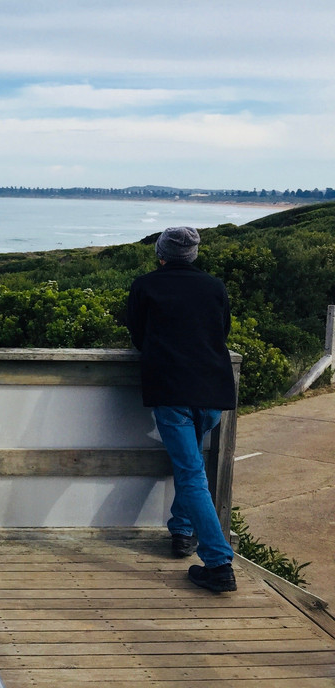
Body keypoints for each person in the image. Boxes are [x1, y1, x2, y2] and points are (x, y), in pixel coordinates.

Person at [126, 226, 238, 592]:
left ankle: (219, 563)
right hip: (213, 391)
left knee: (191, 474)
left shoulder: (145, 285)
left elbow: (138, 337)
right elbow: (221, 332)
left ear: (161, 253)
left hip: (172, 390)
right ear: (193, 255)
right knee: (192, 468)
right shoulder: (215, 286)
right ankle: (182, 531)